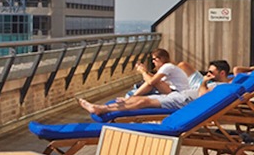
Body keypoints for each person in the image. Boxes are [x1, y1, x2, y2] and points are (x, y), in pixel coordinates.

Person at [81, 59, 231, 116]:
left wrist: (204, 82)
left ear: (222, 73)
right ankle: (103, 107)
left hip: (184, 101)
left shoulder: (222, 87)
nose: (208, 73)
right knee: (142, 99)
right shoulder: (222, 84)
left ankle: (102, 109)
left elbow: (204, 98)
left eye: (211, 72)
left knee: (143, 102)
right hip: (180, 96)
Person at [125, 49, 191, 98]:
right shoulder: (169, 66)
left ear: (161, 59)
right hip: (177, 90)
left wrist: (143, 72)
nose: (153, 62)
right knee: (154, 81)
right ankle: (133, 96)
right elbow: (154, 78)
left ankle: (132, 97)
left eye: (154, 59)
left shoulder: (167, 66)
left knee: (154, 82)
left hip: (178, 92)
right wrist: (146, 72)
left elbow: (152, 82)